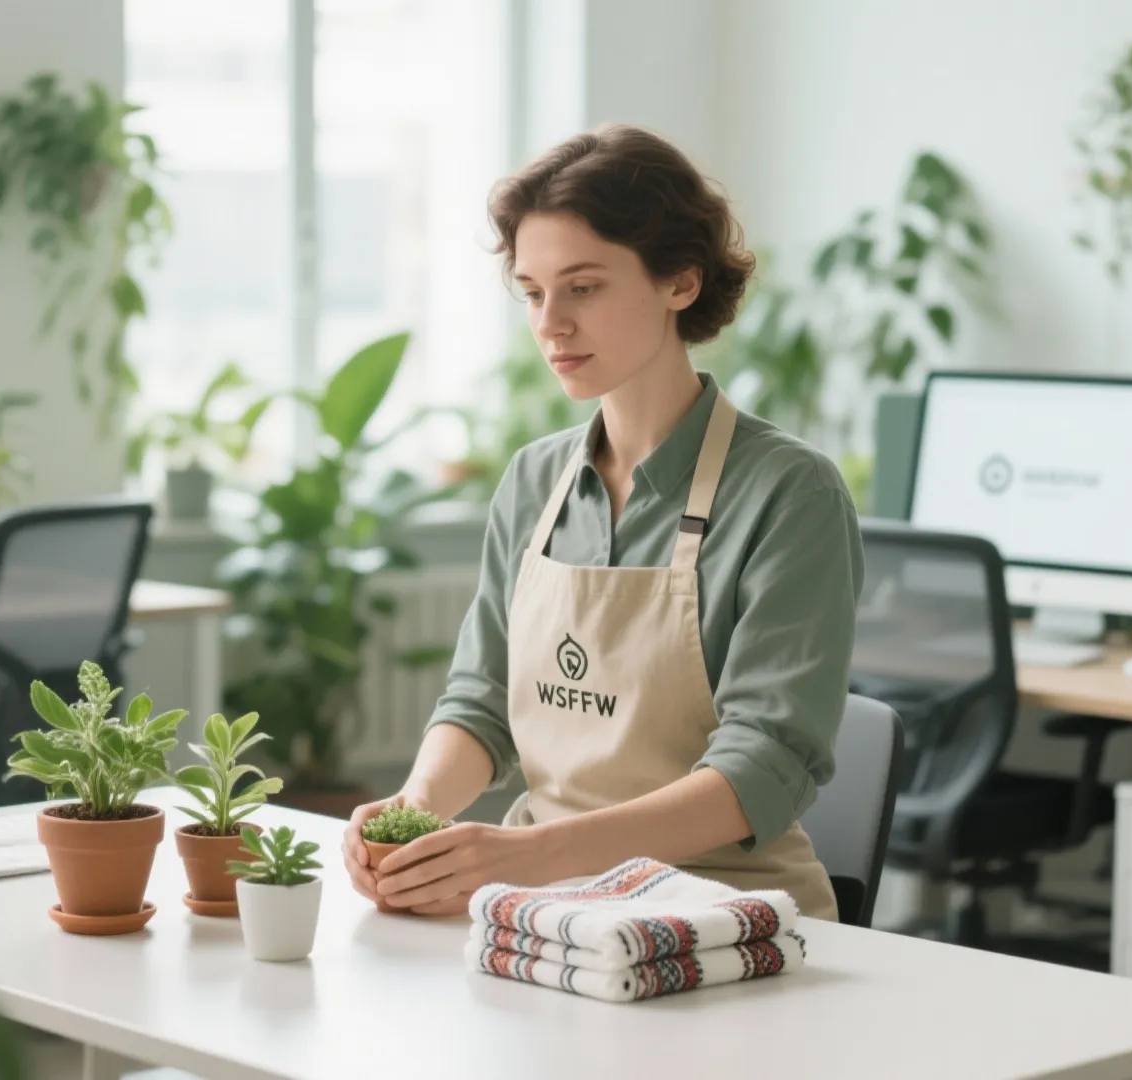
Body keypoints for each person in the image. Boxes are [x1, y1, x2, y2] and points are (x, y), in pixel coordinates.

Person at [340, 124, 861, 922]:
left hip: (725, 919)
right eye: (533, 292)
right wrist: (414, 812)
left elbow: (766, 765)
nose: (551, 323)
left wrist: (534, 851)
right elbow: (483, 700)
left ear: (679, 282)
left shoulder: (789, 492)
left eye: (583, 287)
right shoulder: (534, 481)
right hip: (542, 910)